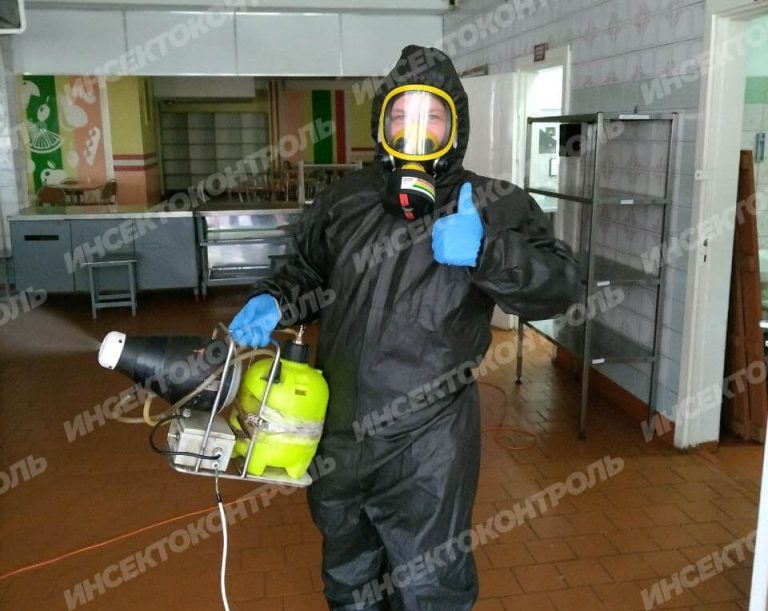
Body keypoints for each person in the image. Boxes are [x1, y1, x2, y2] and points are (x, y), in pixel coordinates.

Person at [230, 45, 580, 611]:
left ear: (455, 126)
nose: (415, 129)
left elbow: (561, 286)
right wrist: (274, 299)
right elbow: (307, 272)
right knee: (349, 576)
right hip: (339, 433)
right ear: (382, 123)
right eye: (401, 114)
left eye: (432, 115)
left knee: (429, 587)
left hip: (428, 446)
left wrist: (488, 250)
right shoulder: (345, 201)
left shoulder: (489, 205)